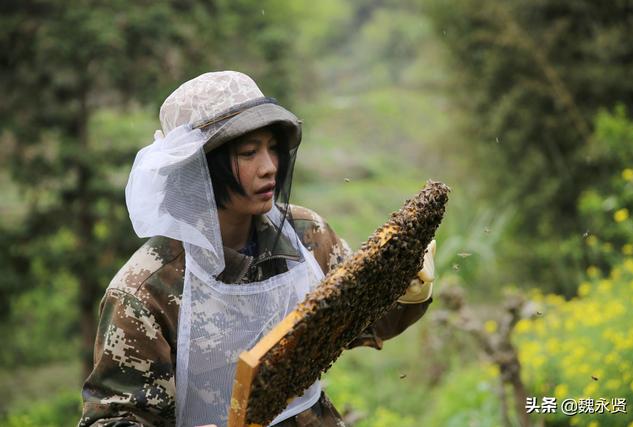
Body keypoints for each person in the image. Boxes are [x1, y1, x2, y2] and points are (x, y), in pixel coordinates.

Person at [79, 71, 436, 427]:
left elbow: (359, 322)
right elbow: (111, 420)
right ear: (200, 168)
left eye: (272, 148)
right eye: (249, 152)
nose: (269, 168)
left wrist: (406, 292)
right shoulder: (145, 291)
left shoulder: (306, 235)